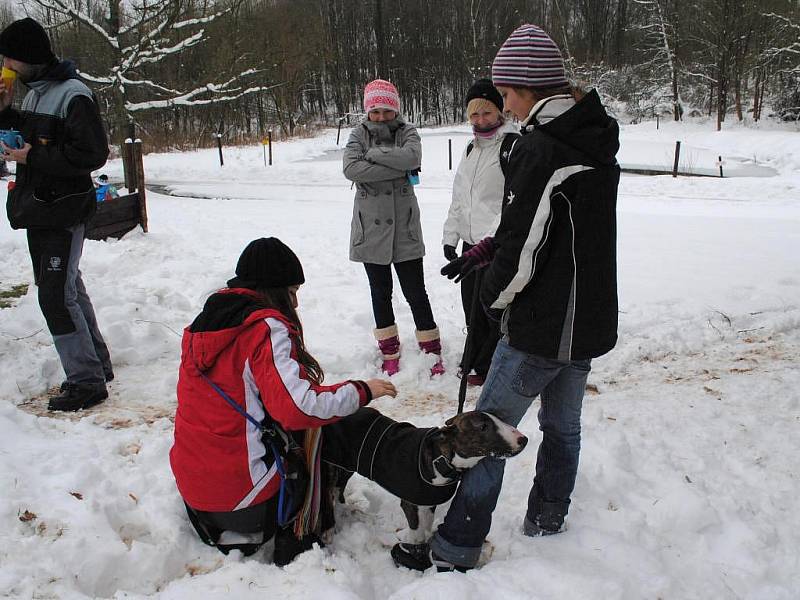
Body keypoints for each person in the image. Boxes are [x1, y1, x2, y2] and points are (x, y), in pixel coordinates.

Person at [392, 23, 620, 572]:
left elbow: (524, 252)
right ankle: (547, 518)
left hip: (542, 324)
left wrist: (489, 304)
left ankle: (455, 548)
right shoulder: (591, 134)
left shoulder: (543, 148)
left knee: (485, 433)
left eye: (508, 93)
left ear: (528, 87)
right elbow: (548, 226)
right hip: (585, 319)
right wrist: (485, 248)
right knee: (563, 426)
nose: (505, 104)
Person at [169, 237, 397, 564]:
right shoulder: (262, 328)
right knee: (322, 428)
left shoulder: (205, 328)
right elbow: (298, 408)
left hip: (197, 498)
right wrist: (362, 390)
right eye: (292, 293)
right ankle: (302, 532)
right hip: (246, 505)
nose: (296, 304)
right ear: (274, 291)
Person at [0, 18, 113, 411]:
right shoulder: (31, 93)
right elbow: (27, 133)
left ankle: (87, 382)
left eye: (10, 57)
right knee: (68, 287)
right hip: (38, 207)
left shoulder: (72, 94)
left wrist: (35, 156)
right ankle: (96, 363)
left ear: (28, 57)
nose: (6, 64)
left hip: (64, 207)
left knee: (55, 295)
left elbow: (93, 154)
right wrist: (3, 113)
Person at [343, 79, 444, 377]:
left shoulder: (408, 132)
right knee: (380, 291)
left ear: (395, 109)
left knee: (416, 291)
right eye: (375, 111)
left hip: (404, 228)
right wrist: (395, 167)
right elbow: (351, 168)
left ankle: (430, 347)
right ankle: (389, 349)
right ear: (368, 112)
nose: (381, 117)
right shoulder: (357, 134)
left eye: (387, 111)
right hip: (370, 230)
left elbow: (412, 157)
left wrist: (372, 156)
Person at [442, 78, 517, 387]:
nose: (480, 120)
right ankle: (475, 357)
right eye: (474, 114)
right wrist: (451, 237)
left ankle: (490, 365)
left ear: (499, 112)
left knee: (492, 309)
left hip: (494, 246)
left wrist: (488, 240)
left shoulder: (512, 146)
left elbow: (513, 202)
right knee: (471, 306)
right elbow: (460, 196)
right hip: (469, 246)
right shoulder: (471, 148)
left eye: (486, 113)